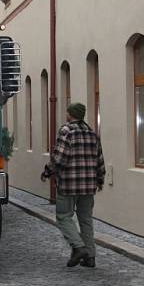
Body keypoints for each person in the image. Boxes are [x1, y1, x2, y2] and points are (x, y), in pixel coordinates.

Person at [41, 102, 105, 268]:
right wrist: (100, 179)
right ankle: (90, 257)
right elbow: (99, 160)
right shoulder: (92, 133)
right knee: (86, 220)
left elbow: (59, 158)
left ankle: (79, 248)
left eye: (68, 112)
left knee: (63, 217)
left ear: (71, 114)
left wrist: (47, 171)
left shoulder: (66, 131)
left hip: (69, 184)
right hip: (88, 185)